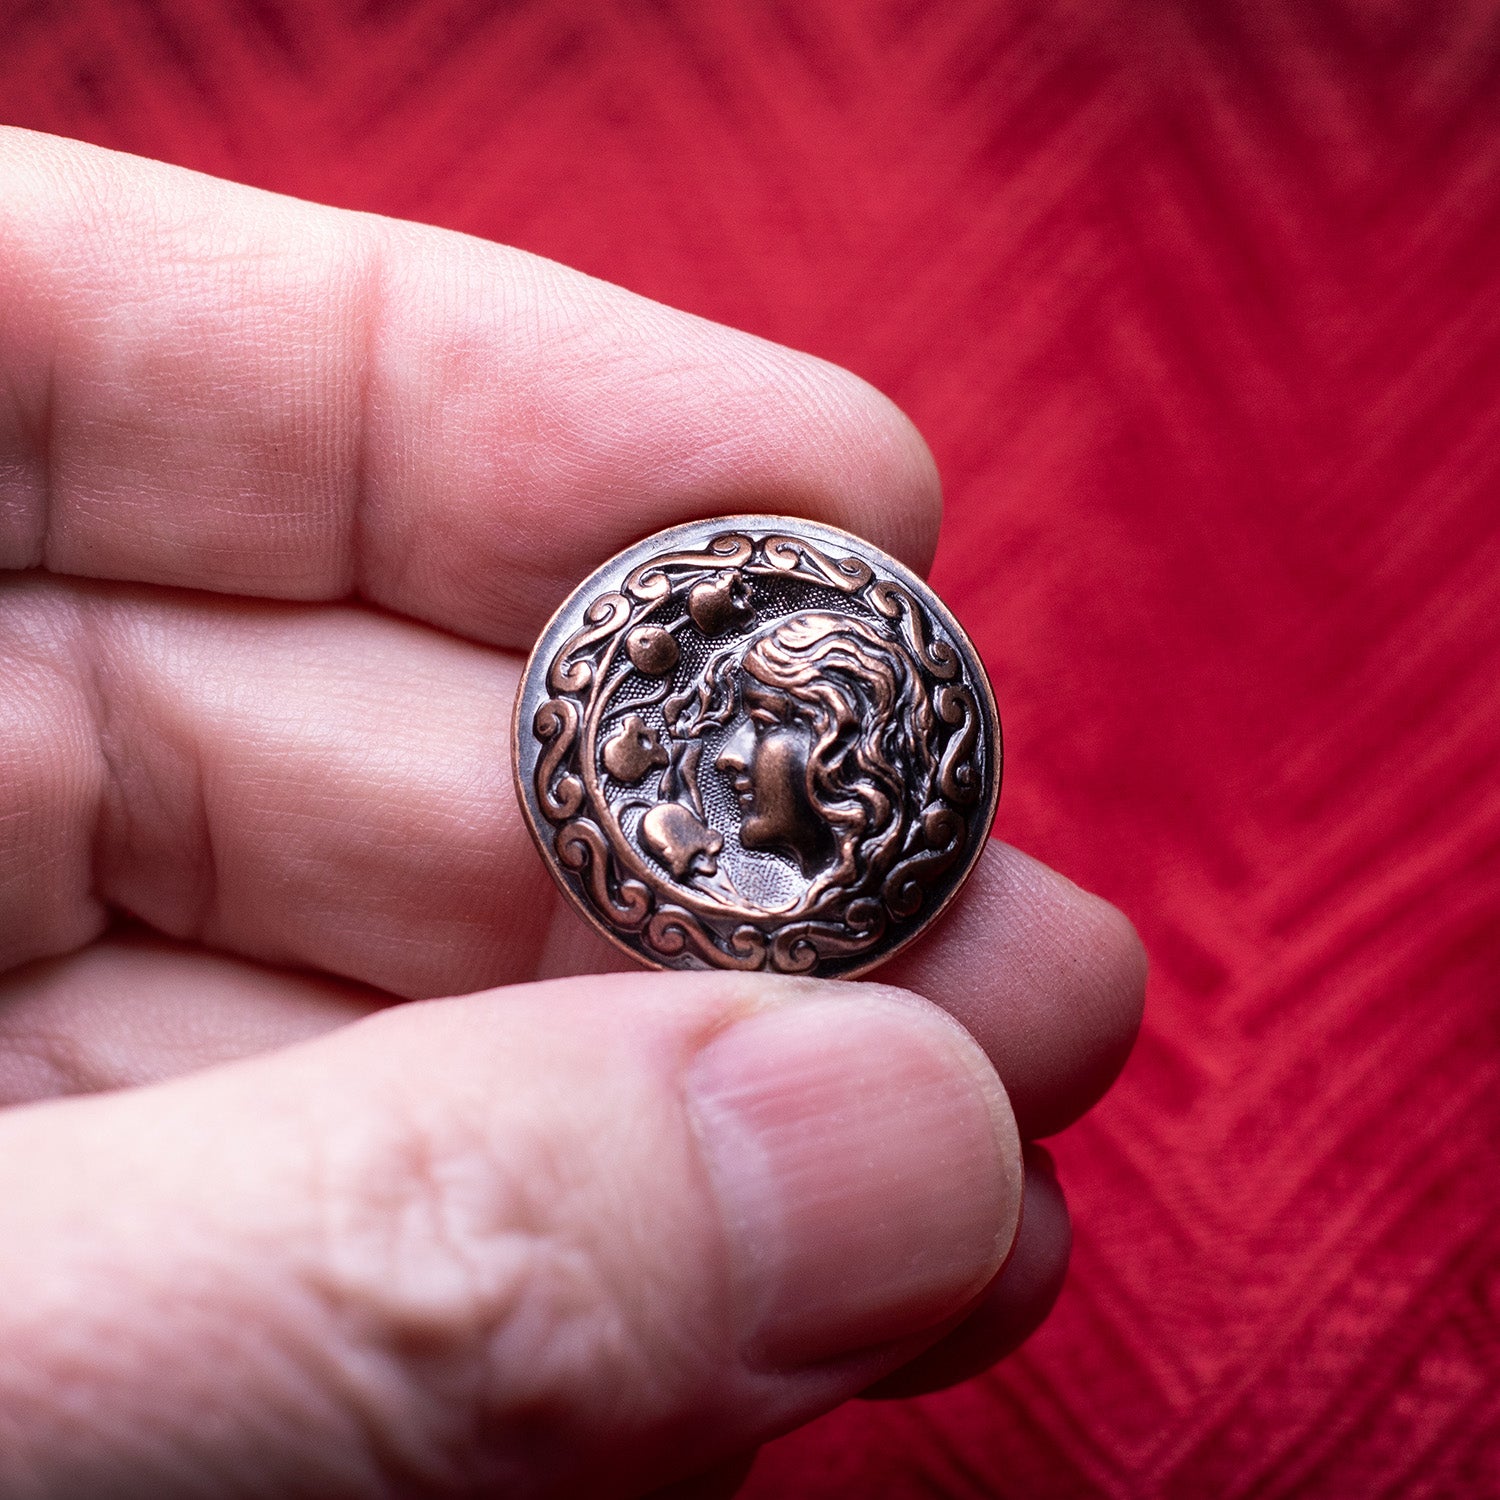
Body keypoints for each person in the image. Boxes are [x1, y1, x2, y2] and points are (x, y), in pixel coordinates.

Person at [0, 127, 1146, 1499]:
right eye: (720, 717)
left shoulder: (813, 867)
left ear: (843, 751)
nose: (713, 749)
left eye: (760, 726)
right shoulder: (671, 850)